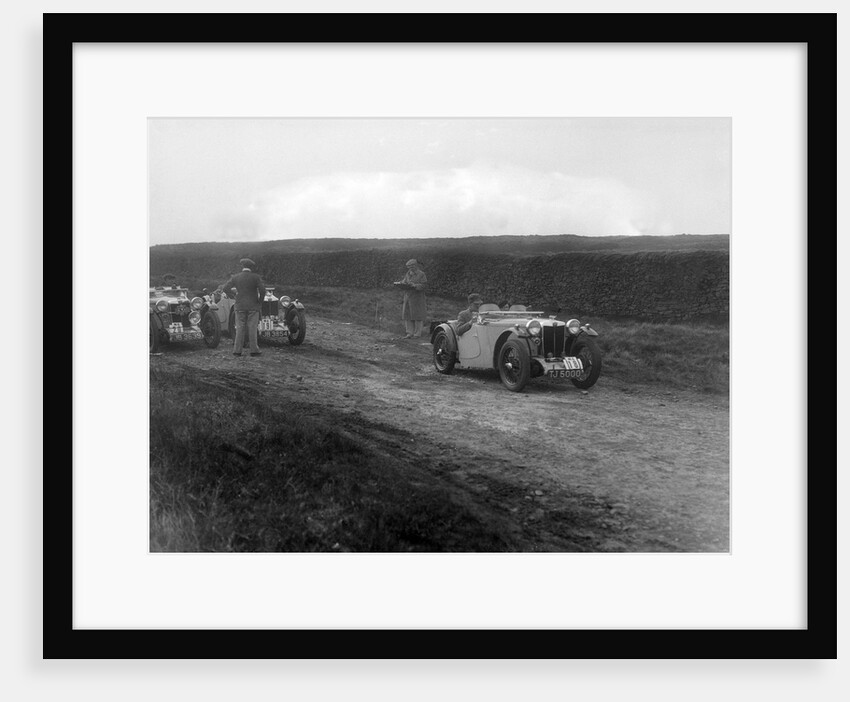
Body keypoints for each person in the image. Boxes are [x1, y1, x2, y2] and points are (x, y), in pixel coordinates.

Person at [222, 258, 266, 357]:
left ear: (242, 266)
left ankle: (237, 351)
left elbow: (225, 288)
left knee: (240, 328)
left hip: (240, 305)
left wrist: (233, 296)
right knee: (252, 328)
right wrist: (259, 302)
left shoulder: (235, 277)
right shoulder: (256, 277)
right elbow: (263, 291)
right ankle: (254, 350)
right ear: (251, 267)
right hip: (253, 306)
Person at [395, 259, 427, 339]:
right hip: (408, 297)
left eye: (411, 266)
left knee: (417, 315)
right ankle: (409, 333)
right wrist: (401, 283)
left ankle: (417, 334)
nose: (410, 268)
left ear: (416, 265)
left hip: (417, 298)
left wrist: (415, 285)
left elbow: (424, 286)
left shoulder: (421, 274)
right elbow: (405, 281)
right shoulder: (408, 273)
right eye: (408, 266)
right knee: (407, 315)